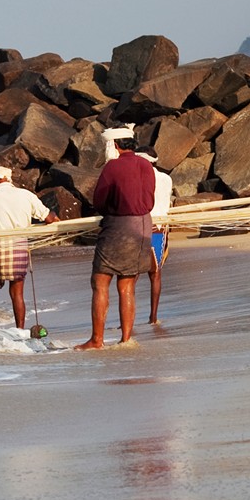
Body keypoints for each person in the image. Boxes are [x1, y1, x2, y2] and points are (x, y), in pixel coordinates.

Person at [76, 125, 155, 349]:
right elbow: (149, 196)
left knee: (100, 281)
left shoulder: (113, 167)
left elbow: (99, 200)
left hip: (119, 226)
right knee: (127, 286)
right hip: (143, 225)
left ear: (115, 145)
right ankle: (126, 338)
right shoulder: (146, 165)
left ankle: (96, 339)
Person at [0, 166, 59, 329]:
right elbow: (49, 218)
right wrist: (56, 219)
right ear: (9, 180)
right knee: (17, 294)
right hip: (19, 247)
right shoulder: (26, 195)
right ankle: (20, 330)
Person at [135, 146, 173, 324]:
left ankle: (128, 318)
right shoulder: (166, 179)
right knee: (155, 273)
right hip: (160, 227)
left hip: (141, 227)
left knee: (131, 275)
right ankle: (153, 317)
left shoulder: (138, 178)